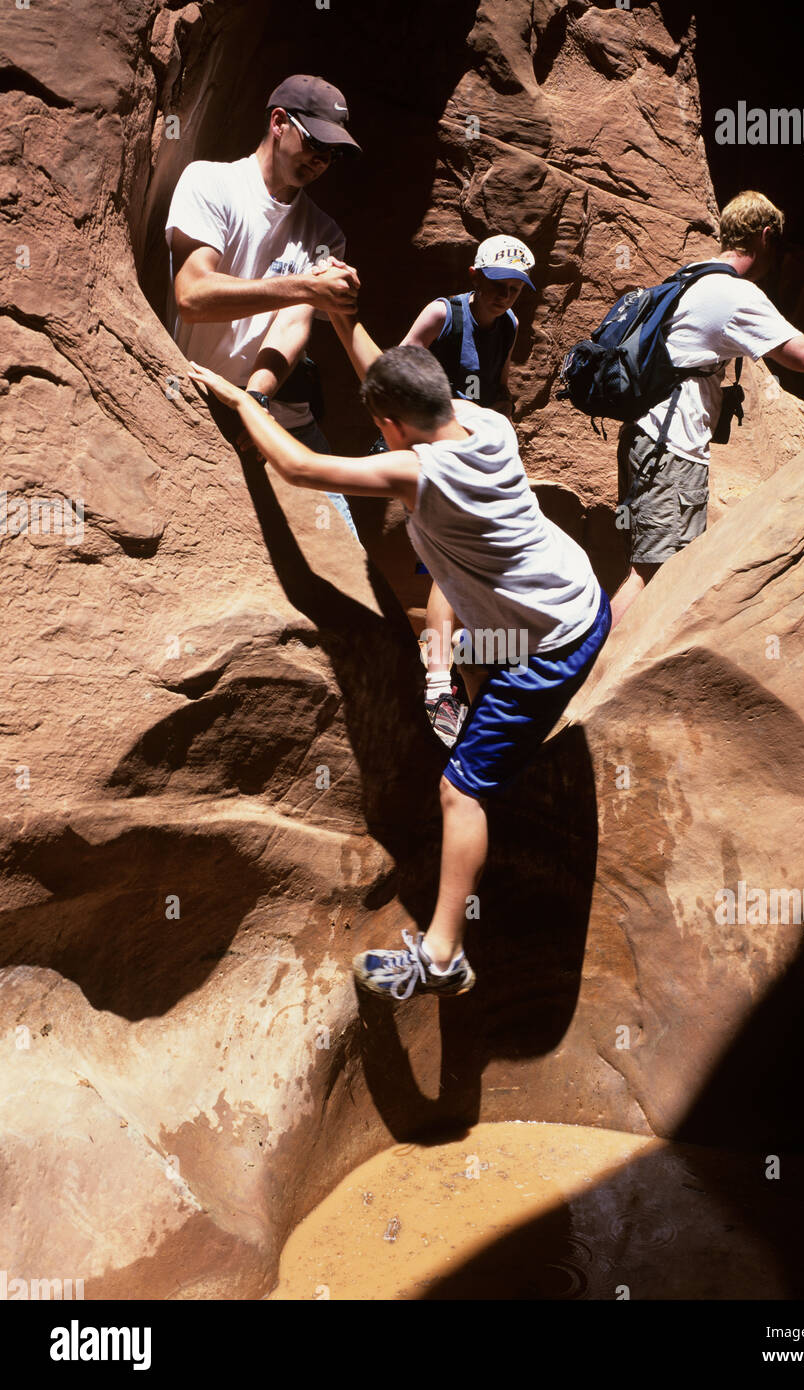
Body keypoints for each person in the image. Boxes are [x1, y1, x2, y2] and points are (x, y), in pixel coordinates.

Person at [187, 322, 610, 1002]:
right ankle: (484, 734)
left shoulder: (419, 473)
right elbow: (396, 374)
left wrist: (245, 405)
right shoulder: (483, 424)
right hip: (573, 594)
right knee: (456, 646)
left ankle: (442, 955)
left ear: (390, 424)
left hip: (548, 644)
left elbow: (296, 467)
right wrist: (339, 319)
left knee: (460, 790)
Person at [610, 190, 804, 626]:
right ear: (766, 236)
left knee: (649, 570)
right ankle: (584, 682)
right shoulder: (734, 294)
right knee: (653, 577)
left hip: (646, 437)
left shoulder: (691, 276)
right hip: (671, 446)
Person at [165, 74, 362, 534]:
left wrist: (255, 399)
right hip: (198, 403)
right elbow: (193, 296)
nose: (322, 160)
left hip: (278, 416)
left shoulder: (325, 233)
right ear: (279, 122)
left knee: (346, 551)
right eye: (316, 143)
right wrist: (306, 287)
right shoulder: (210, 183)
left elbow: (293, 326)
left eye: (333, 154)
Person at [379, 236, 537, 745]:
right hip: (428, 448)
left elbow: (498, 389)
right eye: (497, 285)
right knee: (453, 564)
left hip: (470, 453)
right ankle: (438, 683)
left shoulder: (508, 326)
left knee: (471, 564)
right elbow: (394, 370)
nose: (505, 296)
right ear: (475, 277)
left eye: (514, 289)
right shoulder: (442, 315)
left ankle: (460, 680)